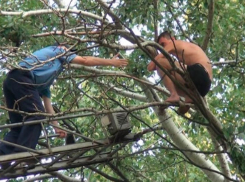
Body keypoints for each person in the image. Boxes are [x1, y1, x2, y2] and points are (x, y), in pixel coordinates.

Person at [0, 43, 128, 157]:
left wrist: (57, 127)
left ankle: (3, 157)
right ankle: (24, 155)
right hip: (22, 77)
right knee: (36, 116)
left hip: (11, 80)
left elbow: (47, 105)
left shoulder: (46, 76)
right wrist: (111, 62)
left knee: (18, 127)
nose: (72, 58)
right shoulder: (58, 50)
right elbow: (85, 60)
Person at [147, 31, 212, 114]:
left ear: (172, 39)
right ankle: (189, 97)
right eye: (160, 47)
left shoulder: (175, 43)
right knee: (171, 73)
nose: (162, 48)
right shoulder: (184, 50)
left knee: (160, 62)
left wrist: (158, 63)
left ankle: (174, 95)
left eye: (163, 44)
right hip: (204, 87)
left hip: (200, 73)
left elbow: (150, 67)